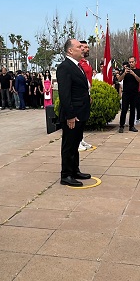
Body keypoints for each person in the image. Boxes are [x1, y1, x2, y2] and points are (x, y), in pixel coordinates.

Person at [56, 39, 92, 187]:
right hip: (73, 114)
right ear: (70, 50)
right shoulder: (65, 67)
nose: (82, 49)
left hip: (81, 112)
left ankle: (74, 170)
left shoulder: (77, 66)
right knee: (69, 145)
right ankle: (66, 175)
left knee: (76, 143)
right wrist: (70, 115)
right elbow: (65, 94)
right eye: (79, 47)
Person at [117, 57, 140, 133]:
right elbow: (119, 79)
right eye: (130, 62)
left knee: (133, 110)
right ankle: (121, 126)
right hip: (126, 93)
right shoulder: (125, 70)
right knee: (124, 109)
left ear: (135, 62)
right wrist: (124, 73)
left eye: (132, 62)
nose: (131, 63)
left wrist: (133, 74)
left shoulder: (138, 71)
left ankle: (132, 126)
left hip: (134, 93)